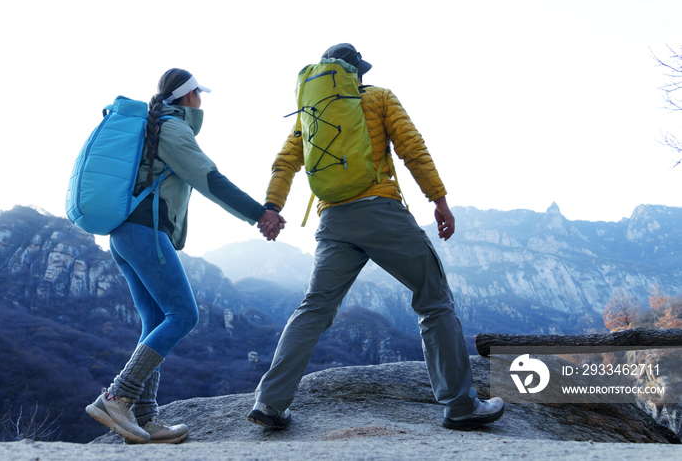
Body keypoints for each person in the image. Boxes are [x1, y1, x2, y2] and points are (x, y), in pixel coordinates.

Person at [249, 44, 504, 431]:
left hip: (332, 219)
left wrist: (272, 206)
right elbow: (412, 147)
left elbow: (286, 161)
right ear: (357, 73)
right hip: (379, 210)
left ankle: (270, 402)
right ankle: (460, 404)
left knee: (314, 307)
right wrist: (439, 200)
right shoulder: (379, 97)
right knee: (434, 299)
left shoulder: (311, 112)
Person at [85, 68, 285, 444]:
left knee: (156, 321)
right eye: (199, 95)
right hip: (145, 232)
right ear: (189, 96)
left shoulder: (155, 126)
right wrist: (261, 213)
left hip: (125, 235)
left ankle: (145, 419)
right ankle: (116, 396)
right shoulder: (173, 129)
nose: (202, 101)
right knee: (184, 314)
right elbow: (211, 179)